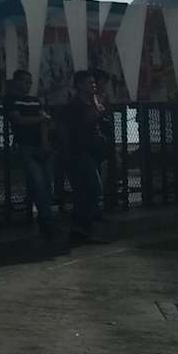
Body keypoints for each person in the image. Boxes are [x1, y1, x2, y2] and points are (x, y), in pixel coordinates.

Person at [5, 69, 56, 237]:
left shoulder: (35, 100)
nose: (28, 85)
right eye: (25, 81)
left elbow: (44, 122)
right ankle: (46, 221)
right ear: (16, 82)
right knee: (39, 182)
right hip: (25, 146)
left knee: (47, 183)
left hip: (40, 145)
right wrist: (41, 119)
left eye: (29, 82)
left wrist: (45, 143)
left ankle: (46, 218)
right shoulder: (11, 100)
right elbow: (18, 120)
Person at [58, 73, 108, 242]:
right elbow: (85, 121)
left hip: (90, 151)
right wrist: (98, 108)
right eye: (89, 83)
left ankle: (80, 228)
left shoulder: (89, 103)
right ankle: (82, 227)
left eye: (94, 82)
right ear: (79, 85)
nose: (94, 85)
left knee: (85, 191)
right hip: (78, 151)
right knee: (91, 188)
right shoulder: (75, 105)